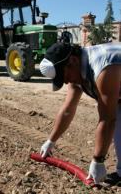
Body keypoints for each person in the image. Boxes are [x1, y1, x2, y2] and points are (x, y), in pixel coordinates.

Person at [39, 42, 121, 185]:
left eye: (64, 76)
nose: (65, 82)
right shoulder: (77, 70)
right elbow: (67, 109)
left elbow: (107, 120)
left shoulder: (103, 67)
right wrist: (51, 141)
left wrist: (98, 160)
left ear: (73, 61)